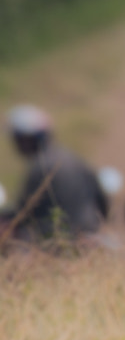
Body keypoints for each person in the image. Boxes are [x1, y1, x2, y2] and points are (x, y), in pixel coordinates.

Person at [1, 105, 108, 245]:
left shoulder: (40, 168)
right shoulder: (73, 158)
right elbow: (102, 199)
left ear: (26, 139)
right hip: (89, 233)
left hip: (55, 240)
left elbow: (24, 212)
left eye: (17, 139)